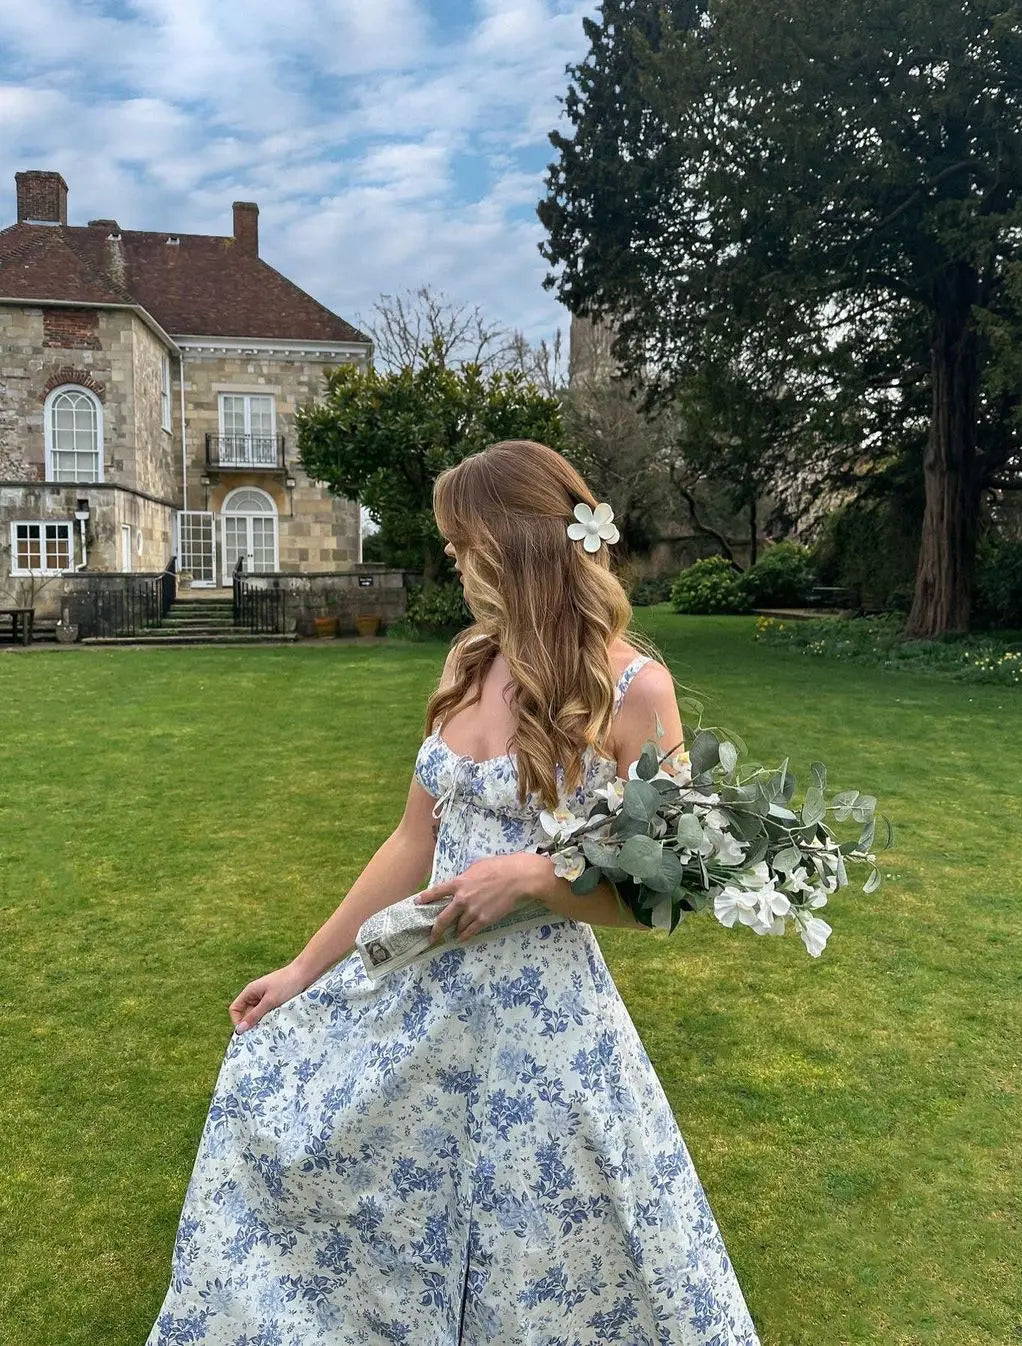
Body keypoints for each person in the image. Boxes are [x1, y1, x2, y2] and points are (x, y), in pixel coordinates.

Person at [145, 440, 762, 1345]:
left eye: (458, 538)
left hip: (541, 1026)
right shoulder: (471, 661)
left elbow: (660, 892)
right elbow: (411, 839)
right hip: (418, 985)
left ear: (514, 541)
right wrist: (305, 968)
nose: (448, 555)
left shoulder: (635, 689)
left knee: (539, 1241)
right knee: (336, 1156)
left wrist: (535, 878)